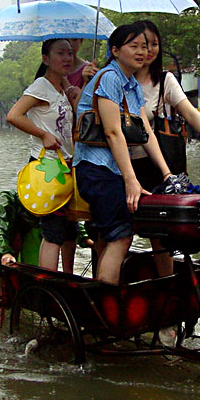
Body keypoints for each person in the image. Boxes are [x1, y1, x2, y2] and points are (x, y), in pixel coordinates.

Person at [129, 20, 200, 277]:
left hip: (162, 167)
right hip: (128, 166)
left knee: (162, 233)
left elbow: (190, 112)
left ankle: (167, 284)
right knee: (120, 230)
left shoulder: (165, 80)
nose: (149, 50)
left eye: (154, 44)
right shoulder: (118, 79)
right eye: (142, 44)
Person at [73, 22, 172, 285]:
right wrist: (131, 179)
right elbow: (113, 132)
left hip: (111, 170)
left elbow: (145, 131)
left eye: (145, 46)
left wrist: (166, 173)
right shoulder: (109, 78)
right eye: (134, 46)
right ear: (115, 50)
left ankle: (101, 308)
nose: (142, 52)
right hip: (96, 169)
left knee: (112, 237)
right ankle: (106, 311)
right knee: (121, 235)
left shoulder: (130, 84)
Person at [7, 38, 80, 272]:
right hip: (48, 167)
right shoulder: (41, 86)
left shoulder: (64, 88)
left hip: (68, 166)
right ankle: (47, 285)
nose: (67, 58)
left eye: (70, 53)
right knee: (53, 231)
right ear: (46, 59)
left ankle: (68, 278)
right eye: (60, 53)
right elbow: (14, 115)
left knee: (71, 229)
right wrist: (43, 135)